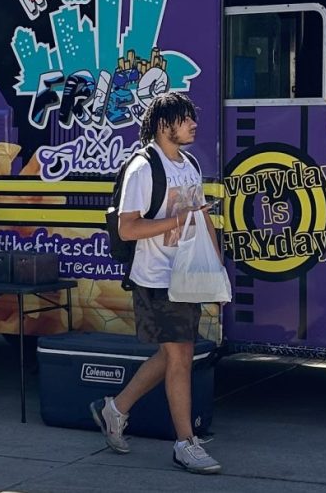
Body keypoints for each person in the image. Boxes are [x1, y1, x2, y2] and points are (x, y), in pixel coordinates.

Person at [90, 92, 222, 474]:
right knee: (180, 356)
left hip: (185, 274)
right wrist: (175, 223)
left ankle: (114, 409)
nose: (194, 125)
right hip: (155, 278)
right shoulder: (143, 168)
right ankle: (186, 444)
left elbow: (199, 217)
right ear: (165, 125)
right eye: (186, 119)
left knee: (171, 355)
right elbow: (127, 227)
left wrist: (215, 268)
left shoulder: (190, 164)